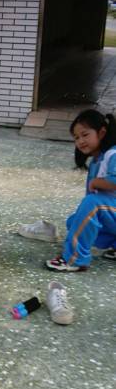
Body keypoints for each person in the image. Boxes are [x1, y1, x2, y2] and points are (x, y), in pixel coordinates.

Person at [45, 109, 116, 272]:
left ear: (102, 132)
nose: (80, 141)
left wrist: (97, 182)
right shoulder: (96, 162)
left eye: (85, 135)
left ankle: (75, 259)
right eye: (76, 138)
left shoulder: (113, 154)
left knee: (93, 205)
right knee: (74, 221)